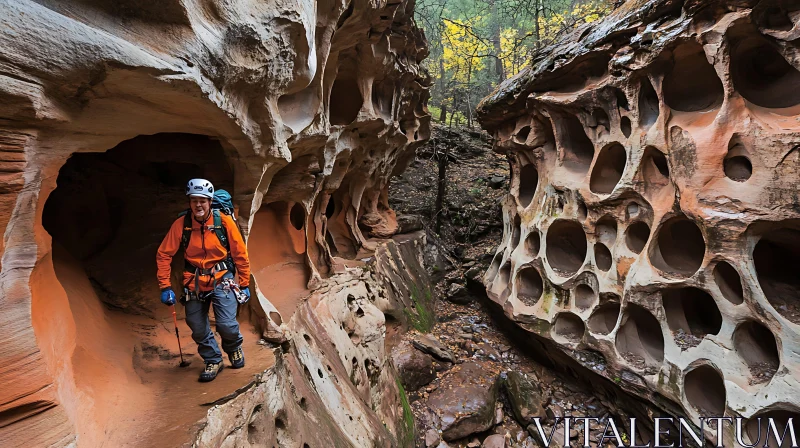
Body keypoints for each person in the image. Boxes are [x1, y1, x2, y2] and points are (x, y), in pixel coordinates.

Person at [156, 178, 251, 382]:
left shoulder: (223, 221)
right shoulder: (182, 224)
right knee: (196, 325)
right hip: (194, 280)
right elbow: (164, 254)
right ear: (189, 202)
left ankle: (233, 348)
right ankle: (213, 359)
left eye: (202, 201)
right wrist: (165, 286)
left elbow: (240, 253)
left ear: (209, 202)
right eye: (194, 201)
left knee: (226, 324)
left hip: (221, 277)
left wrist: (244, 283)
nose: (198, 205)